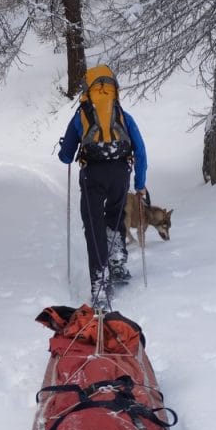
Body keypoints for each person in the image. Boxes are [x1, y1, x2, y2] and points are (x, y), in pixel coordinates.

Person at [58, 64, 147, 311]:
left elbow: (66, 157)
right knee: (115, 215)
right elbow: (140, 150)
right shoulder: (123, 117)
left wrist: (67, 147)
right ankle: (117, 261)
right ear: (114, 90)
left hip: (92, 176)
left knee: (94, 226)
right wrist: (139, 184)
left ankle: (100, 285)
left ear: (86, 90)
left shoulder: (80, 117)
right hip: (120, 173)